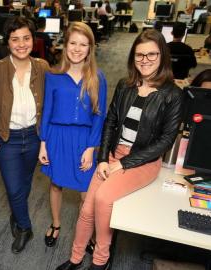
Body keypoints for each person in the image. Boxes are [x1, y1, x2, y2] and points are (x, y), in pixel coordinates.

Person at [56, 29, 182, 270]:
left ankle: (100, 261)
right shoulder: (125, 85)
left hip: (142, 161)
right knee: (87, 209)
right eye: (139, 55)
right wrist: (103, 159)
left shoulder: (172, 95)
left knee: (103, 199)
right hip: (113, 155)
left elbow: (166, 141)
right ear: (133, 57)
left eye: (152, 55)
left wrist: (122, 164)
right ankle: (75, 258)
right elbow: (110, 123)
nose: (145, 60)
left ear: (162, 56)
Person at [0, 17, 49, 254]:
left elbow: (51, 103)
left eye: (26, 38)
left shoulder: (42, 67)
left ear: (33, 39)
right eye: (15, 39)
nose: (21, 44)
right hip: (6, 138)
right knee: (13, 188)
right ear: (7, 42)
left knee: (24, 184)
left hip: (33, 136)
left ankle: (17, 213)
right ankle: (25, 227)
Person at [39, 22, 107, 248]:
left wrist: (91, 147)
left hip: (83, 141)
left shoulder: (98, 77)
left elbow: (99, 115)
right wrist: (43, 143)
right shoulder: (53, 76)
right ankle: (56, 224)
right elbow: (47, 111)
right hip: (57, 137)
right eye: (73, 43)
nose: (77, 49)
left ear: (90, 48)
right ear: (65, 45)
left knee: (86, 192)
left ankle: (83, 230)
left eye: (83, 44)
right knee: (56, 184)